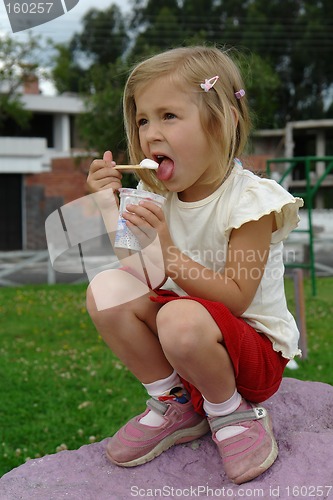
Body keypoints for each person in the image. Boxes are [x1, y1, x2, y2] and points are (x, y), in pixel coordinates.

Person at [86, 46, 303, 485]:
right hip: (185, 334)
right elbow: (136, 267)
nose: (150, 133)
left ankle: (231, 414)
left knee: (179, 316)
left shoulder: (250, 202)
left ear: (223, 122)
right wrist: (107, 207)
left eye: (169, 115)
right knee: (107, 290)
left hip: (250, 353)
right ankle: (177, 402)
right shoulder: (160, 197)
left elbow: (238, 299)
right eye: (143, 119)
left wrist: (167, 252)